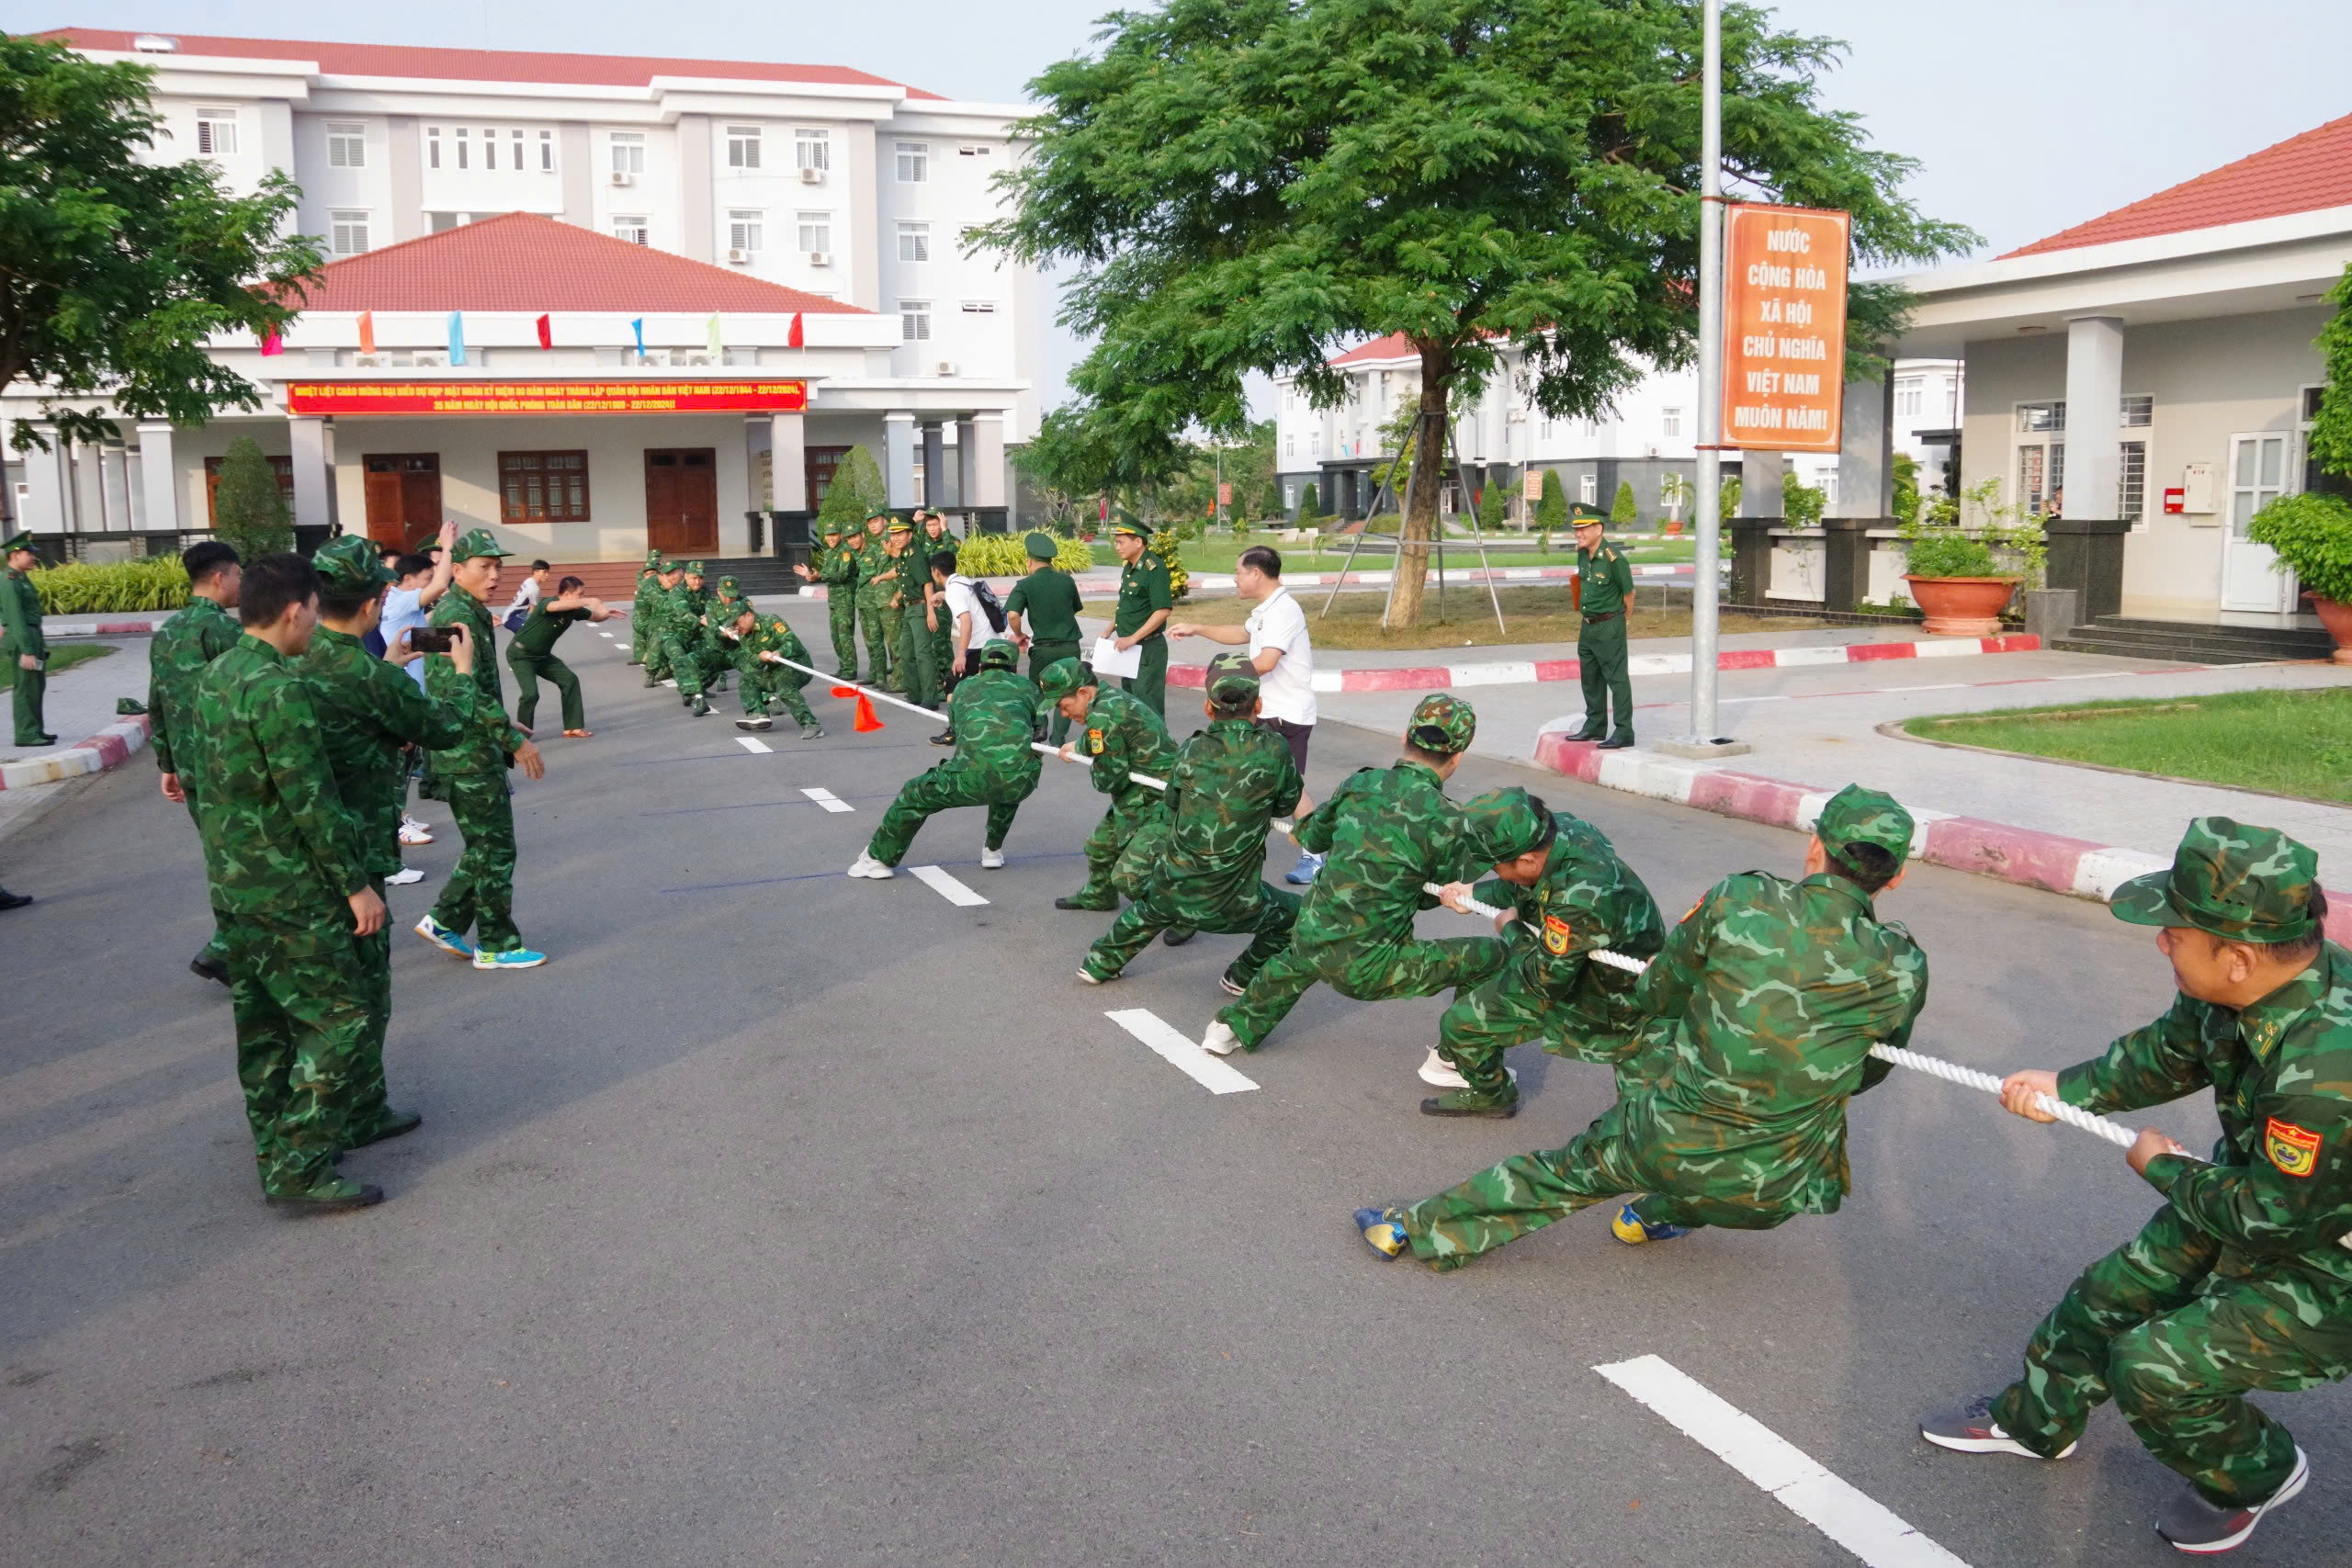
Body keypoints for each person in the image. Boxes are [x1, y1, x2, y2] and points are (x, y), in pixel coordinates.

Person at [1920, 818, 2347, 1557]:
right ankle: (2036, 1423)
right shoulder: (2246, 985)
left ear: (2239, 957)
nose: (2161, 941)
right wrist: (2069, 1087)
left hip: (2325, 1252)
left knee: (2152, 1367)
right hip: (2253, 1192)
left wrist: (2163, 1169)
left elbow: (2275, 1220)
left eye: (2175, 930)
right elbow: (2173, 1051)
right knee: (2112, 1293)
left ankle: (2258, 1472)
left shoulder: (2326, 1070)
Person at [1356, 784, 1926, 1267]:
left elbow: (1655, 991)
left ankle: (1408, 1229)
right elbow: (1868, 1070)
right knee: (1729, 1183)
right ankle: (1652, 1216)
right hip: (1778, 1183)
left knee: (1562, 1175)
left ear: (1815, 846)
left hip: (1665, 1138)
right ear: (1895, 878)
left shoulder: (1742, 899)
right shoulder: (1903, 963)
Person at [185, 551, 387, 1213]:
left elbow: (198, 775)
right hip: (291, 888)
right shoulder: (278, 687)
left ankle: (275, 1145)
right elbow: (311, 798)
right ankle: (299, 1159)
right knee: (342, 1017)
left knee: (265, 1022)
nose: (312, 629)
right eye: (310, 616)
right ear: (297, 610)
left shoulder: (216, 675)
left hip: (234, 885)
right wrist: (355, 884)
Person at [299, 536, 481, 1146]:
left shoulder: (297, 659)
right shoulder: (367, 674)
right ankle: (343, 1119)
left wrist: (391, 667)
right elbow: (447, 729)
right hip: (355, 849)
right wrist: (462, 673)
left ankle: (353, 1108)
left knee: (318, 993)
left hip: (303, 847)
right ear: (377, 601)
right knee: (361, 993)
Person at [1202, 694, 1505, 1061]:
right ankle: (1456, 1060)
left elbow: (1311, 837)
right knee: (1494, 956)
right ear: (1456, 758)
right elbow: (1430, 895)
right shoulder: (1449, 819)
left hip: (1312, 938)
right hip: (1369, 966)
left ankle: (1229, 1028)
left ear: (1405, 738)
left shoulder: (1362, 783)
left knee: (1301, 953)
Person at [1415, 787, 1667, 1118]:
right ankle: (1493, 1095)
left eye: (1493, 867)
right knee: (1466, 1013)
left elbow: (1544, 980)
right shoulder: (1558, 830)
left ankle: (1496, 1098)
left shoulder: (1581, 899)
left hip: (1619, 995)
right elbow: (1530, 886)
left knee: (1646, 1125)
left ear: (1527, 860)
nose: (1492, 871)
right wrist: (1474, 893)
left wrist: (1510, 928)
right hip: (1579, 958)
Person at [1079, 652, 1305, 993]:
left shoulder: (1191, 749)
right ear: (1258, 704)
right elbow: (1287, 802)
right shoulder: (1275, 750)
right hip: (1237, 903)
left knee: (1151, 906)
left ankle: (1099, 963)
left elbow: (1171, 805)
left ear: (1208, 708)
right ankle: (1239, 977)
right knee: (1298, 915)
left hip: (1172, 890)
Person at [413, 529, 548, 970]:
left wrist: (505, 722)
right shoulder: (456, 616)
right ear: (456, 570)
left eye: (498, 567)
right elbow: (456, 685)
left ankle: (445, 920)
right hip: (467, 752)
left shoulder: (460, 610)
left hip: (467, 745)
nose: (495, 576)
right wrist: (514, 741)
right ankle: (497, 945)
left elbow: (461, 684)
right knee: (495, 849)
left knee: (483, 846)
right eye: (484, 567)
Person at [1170, 544, 1319, 884]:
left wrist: (1223, 679)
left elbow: (1267, 661)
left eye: (1238, 572)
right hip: (1267, 709)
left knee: (1292, 787)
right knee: (1249, 779)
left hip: (1286, 714)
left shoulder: (1284, 610)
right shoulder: (1267, 608)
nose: (1234, 579)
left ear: (1256, 573)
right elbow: (1242, 634)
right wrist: (1196, 627)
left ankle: (1314, 856)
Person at [847, 637, 1041, 879]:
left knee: (913, 793)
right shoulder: (1030, 688)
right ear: (1014, 667)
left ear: (980, 666)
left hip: (969, 779)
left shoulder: (964, 687)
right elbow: (1039, 732)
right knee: (1007, 775)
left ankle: (877, 860)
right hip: (1022, 780)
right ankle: (992, 850)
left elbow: (957, 731)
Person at [148, 540, 244, 984]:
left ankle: (230, 947)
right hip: (226, 765)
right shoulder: (223, 630)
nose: (241, 583)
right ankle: (226, 948)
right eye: (238, 574)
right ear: (221, 577)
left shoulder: (167, 631)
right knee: (245, 860)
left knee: (220, 857)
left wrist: (167, 762)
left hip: (189, 768)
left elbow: (158, 702)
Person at [1036, 659, 1180, 916]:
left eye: (1064, 707)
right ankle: (1098, 895)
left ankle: (1181, 912)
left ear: (1083, 693)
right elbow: (1105, 735)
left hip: (1160, 798)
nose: (1065, 715)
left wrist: (1090, 759)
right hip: (1139, 792)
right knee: (1100, 846)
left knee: (1129, 876)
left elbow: (1110, 779)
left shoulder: (1103, 716)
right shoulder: (1107, 698)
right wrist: (1079, 746)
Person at [505, 574, 612, 738]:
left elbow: (595, 616)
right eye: (580, 594)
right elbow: (554, 607)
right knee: (530, 694)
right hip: (521, 655)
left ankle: (573, 727)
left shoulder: (573, 610)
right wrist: (588, 601)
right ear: (567, 594)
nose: (582, 598)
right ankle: (522, 736)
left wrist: (607, 614)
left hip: (542, 657)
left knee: (569, 680)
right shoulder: (548, 603)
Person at [1004, 530, 1083, 745]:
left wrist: (1019, 634)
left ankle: (1040, 728)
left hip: (1043, 648)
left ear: (1029, 561)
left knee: (1038, 689)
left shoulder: (1025, 585)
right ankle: (1058, 739)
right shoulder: (1067, 581)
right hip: (1069, 646)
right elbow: (1074, 608)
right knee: (1067, 691)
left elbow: (1012, 614)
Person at [1568, 513, 1636, 750]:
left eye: (1584, 529)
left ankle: (1624, 731)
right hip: (1587, 626)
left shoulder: (1614, 559)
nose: (1579, 533)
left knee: (1617, 680)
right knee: (1590, 678)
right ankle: (1595, 726)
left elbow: (1629, 593)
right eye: (1577, 529)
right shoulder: (1582, 553)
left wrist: (1623, 621)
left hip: (1609, 625)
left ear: (1599, 529)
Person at [719, 602, 826, 739]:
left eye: (737, 622)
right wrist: (760, 657)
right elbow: (753, 661)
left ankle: (812, 725)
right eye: (733, 625)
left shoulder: (771, 621)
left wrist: (779, 652)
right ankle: (758, 714)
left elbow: (792, 642)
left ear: (749, 615)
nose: (736, 628)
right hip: (775, 670)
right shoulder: (744, 636)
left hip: (797, 665)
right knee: (747, 679)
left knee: (784, 686)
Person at [382, 521, 458, 694]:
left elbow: (420, 639)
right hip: (408, 691)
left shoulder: (400, 603)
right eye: (428, 578)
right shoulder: (401, 601)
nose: (431, 583)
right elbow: (440, 585)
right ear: (408, 579)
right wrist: (447, 547)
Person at [1108, 520, 1172, 718]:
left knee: (1148, 708)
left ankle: (1159, 748)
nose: (1117, 547)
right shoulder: (1129, 567)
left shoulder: (1154, 568)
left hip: (1147, 649)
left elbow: (1162, 611)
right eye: (1116, 542)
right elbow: (1128, 603)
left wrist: (1133, 638)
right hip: (1129, 648)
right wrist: (1111, 627)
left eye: (1121, 542)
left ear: (1138, 542)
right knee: (1130, 705)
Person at [2, 529, 54, 747]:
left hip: (33, 635)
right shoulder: (10, 581)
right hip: (24, 638)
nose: (33, 557)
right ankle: (26, 733)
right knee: (25, 687)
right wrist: (27, 650)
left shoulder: (21, 578)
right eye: (28, 553)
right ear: (15, 555)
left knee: (36, 686)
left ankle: (37, 730)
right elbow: (15, 617)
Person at [885, 518, 939, 711]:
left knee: (923, 654)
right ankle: (915, 694)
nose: (896, 538)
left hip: (921, 609)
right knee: (906, 653)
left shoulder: (917, 556)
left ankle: (930, 698)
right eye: (893, 534)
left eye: (900, 534)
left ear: (910, 534)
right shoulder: (904, 555)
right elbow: (905, 580)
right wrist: (898, 597)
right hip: (909, 609)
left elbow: (927, 584)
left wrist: (931, 612)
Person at [797, 521, 862, 678]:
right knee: (836, 636)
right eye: (827, 535)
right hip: (833, 599)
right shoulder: (829, 552)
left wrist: (820, 575)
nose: (830, 538)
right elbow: (825, 572)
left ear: (840, 535)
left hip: (845, 599)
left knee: (845, 635)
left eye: (833, 535)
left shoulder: (845, 552)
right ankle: (843, 666)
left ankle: (850, 669)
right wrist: (812, 575)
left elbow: (843, 574)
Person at [656, 561, 715, 717]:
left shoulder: (705, 592)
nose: (698, 582)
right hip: (673, 634)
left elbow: (710, 610)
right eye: (694, 578)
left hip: (694, 634)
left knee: (712, 658)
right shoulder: (677, 592)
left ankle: (692, 688)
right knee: (681, 660)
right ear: (687, 576)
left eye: (701, 578)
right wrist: (700, 620)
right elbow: (683, 613)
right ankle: (697, 698)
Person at [853, 513, 899, 691]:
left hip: (887, 597)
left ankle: (893, 678)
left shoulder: (890, 539)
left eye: (876, 521)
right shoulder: (876, 545)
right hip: (874, 599)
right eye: (869, 523)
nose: (872, 526)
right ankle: (877, 674)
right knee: (872, 640)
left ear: (884, 521)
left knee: (890, 641)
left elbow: (898, 565)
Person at [919, 508, 958, 681]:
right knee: (928, 642)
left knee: (941, 642)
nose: (932, 528)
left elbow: (950, 555)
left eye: (935, 524)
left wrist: (945, 529)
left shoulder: (950, 540)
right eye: (929, 525)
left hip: (942, 599)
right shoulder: (922, 541)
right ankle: (934, 680)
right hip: (924, 597)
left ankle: (947, 680)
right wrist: (915, 522)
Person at [640, 559, 686, 688]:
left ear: (681, 572)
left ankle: (683, 675)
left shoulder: (686, 583)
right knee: (658, 638)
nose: (672, 577)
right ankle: (651, 672)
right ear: (662, 576)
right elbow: (663, 604)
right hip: (656, 620)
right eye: (668, 574)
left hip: (682, 619)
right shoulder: (652, 585)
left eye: (674, 573)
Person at [628, 550, 663, 666]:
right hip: (642, 606)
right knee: (638, 633)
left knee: (654, 632)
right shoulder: (643, 571)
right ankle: (639, 656)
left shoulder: (663, 571)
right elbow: (640, 584)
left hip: (654, 608)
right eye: (653, 557)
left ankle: (653, 658)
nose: (655, 559)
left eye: (657, 557)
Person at [501, 558, 548, 626]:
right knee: (532, 633)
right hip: (513, 617)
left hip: (509, 613)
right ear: (535, 572)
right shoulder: (534, 588)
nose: (547, 575)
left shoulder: (529, 580)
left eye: (548, 572)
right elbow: (531, 612)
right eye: (544, 572)